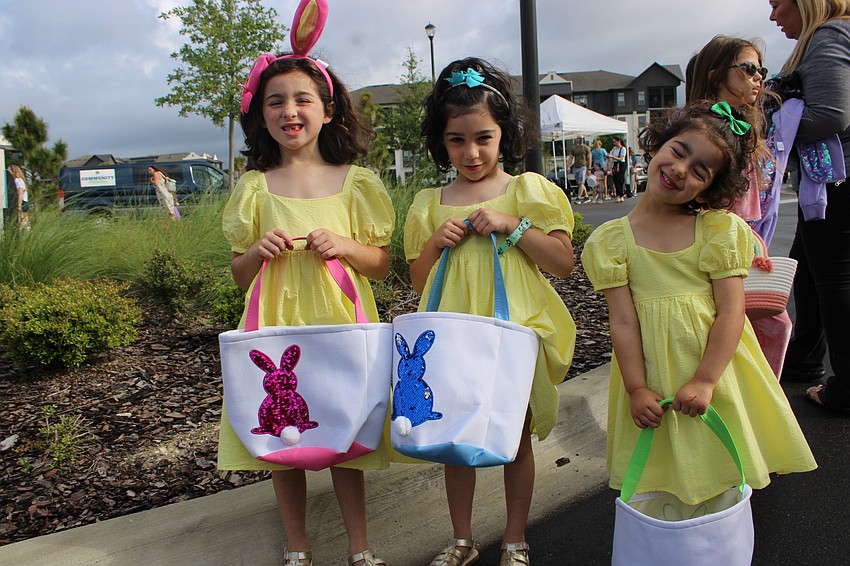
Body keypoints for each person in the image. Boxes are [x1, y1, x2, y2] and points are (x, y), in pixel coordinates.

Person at [218, 3, 394, 563]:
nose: (289, 111)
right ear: (261, 114)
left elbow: (380, 263)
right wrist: (257, 253)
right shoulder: (256, 186)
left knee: (343, 428)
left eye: (301, 100)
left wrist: (344, 246)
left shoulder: (353, 182)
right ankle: (298, 547)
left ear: (327, 109)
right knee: (279, 438)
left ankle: (359, 548)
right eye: (276, 102)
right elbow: (238, 269)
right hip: (278, 319)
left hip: (337, 319)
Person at [581, 101, 816, 509]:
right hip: (652, 373)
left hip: (714, 371)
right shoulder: (612, 242)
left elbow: (731, 312)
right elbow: (623, 321)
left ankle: (718, 532)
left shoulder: (716, 231)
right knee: (662, 476)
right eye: (678, 151)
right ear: (657, 145)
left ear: (709, 188)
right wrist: (636, 388)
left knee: (720, 468)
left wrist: (706, 380)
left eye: (700, 171)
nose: (680, 170)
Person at [409, 57, 576, 566]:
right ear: (442, 140)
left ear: (506, 133)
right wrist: (437, 243)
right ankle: (463, 539)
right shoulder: (431, 201)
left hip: (510, 328)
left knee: (513, 429)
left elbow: (565, 262)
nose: (471, 152)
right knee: (454, 434)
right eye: (457, 140)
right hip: (453, 330)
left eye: (483, 137)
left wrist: (514, 225)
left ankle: (515, 538)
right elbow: (418, 281)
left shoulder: (526, 191)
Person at [685, 35, 793, 379]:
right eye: (748, 69)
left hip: (736, 239)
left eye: (761, 70)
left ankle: (749, 392)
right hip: (716, 241)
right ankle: (753, 393)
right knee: (767, 322)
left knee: (760, 323)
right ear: (717, 74)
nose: (758, 77)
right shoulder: (707, 127)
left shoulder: (743, 125)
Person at [768, 0, 850, 414]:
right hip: (828, 183)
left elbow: (830, 116)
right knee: (805, 264)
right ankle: (803, 360)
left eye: (776, 3)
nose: (773, 16)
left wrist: (774, 112)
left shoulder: (829, 34)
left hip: (835, 180)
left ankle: (846, 388)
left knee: (835, 279)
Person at [567, 134, 592, 201]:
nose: (581, 140)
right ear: (577, 139)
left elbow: (589, 158)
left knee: (581, 182)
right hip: (576, 166)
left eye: (583, 138)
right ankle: (586, 196)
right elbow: (571, 157)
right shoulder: (573, 148)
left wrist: (589, 168)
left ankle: (578, 197)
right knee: (579, 182)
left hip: (583, 166)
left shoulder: (586, 148)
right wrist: (568, 166)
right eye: (580, 138)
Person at [9, 165, 29, 229]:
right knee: (25, 220)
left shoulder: (17, 180)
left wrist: (19, 205)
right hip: (25, 201)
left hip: (21, 202)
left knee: (20, 221)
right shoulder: (21, 180)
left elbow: (20, 193)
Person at [610, 136, 628, 202]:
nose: (614, 143)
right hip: (615, 164)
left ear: (619, 141)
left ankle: (621, 195)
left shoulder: (623, 149)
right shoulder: (614, 149)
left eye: (615, 141)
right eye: (614, 142)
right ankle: (618, 195)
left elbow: (621, 158)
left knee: (620, 179)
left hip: (621, 164)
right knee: (615, 180)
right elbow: (611, 155)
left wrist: (613, 157)